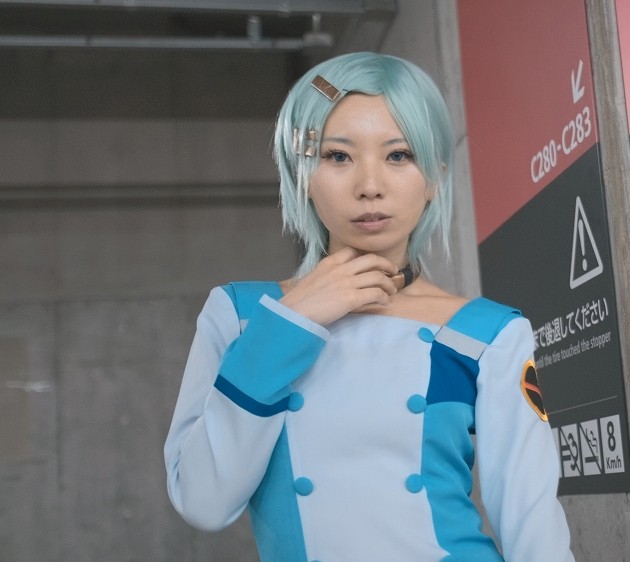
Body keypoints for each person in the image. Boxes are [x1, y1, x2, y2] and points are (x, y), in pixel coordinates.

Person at [163, 51, 574, 561]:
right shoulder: (243, 316)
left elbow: (534, 529)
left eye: (398, 155)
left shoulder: (487, 333)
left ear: (435, 177)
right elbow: (203, 502)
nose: (370, 187)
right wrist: (292, 321)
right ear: (301, 174)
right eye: (338, 157)